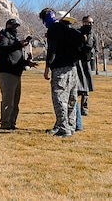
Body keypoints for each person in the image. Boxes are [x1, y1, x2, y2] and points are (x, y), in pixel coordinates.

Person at [40, 8, 86, 137]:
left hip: (60, 68)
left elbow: (52, 51)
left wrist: (47, 67)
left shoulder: (53, 30)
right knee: (72, 99)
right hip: (72, 68)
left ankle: (63, 128)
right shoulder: (68, 29)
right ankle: (71, 126)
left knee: (60, 98)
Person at [0, 18, 35, 130]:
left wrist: (27, 63)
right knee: (8, 100)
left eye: (16, 27)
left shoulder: (14, 39)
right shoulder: (3, 37)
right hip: (6, 73)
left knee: (15, 101)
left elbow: (13, 57)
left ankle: (11, 123)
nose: (15, 28)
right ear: (8, 26)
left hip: (15, 73)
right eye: (13, 26)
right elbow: (3, 50)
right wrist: (18, 45)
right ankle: (5, 123)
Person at [77, 15, 96, 116]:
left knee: (87, 87)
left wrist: (91, 54)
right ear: (83, 22)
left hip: (87, 63)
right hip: (78, 63)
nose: (91, 25)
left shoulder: (93, 35)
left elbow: (96, 48)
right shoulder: (78, 32)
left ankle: (84, 109)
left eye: (92, 23)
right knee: (77, 86)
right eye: (89, 22)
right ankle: (74, 108)